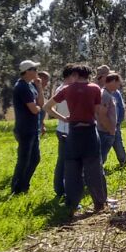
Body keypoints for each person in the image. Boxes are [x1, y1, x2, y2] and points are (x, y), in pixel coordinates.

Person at [51, 64, 112, 214]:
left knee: (72, 170)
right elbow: (97, 110)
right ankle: (99, 202)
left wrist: (64, 118)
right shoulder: (95, 89)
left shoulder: (66, 89)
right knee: (94, 170)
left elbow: (47, 107)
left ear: (75, 75)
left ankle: (71, 204)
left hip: (73, 132)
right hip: (90, 131)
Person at [11, 60, 42, 194]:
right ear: (28, 71)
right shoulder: (21, 87)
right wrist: (38, 107)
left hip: (33, 128)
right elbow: (34, 109)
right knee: (24, 160)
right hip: (25, 129)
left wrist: (40, 88)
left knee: (35, 158)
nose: (37, 72)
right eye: (34, 69)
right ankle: (17, 188)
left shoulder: (31, 85)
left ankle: (24, 185)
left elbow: (41, 103)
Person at [51, 66, 76, 199]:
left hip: (62, 129)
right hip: (67, 130)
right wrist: (64, 118)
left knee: (62, 161)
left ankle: (60, 189)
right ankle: (61, 189)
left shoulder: (59, 88)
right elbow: (49, 108)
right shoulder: (65, 90)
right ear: (71, 75)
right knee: (65, 162)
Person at [99, 73, 126, 166]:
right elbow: (102, 115)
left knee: (102, 157)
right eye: (118, 84)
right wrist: (111, 130)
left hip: (107, 132)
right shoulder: (105, 95)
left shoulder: (108, 94)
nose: (118, 87)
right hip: (105, 132)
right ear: (113, 81)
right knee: (101, 158)